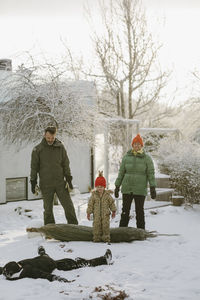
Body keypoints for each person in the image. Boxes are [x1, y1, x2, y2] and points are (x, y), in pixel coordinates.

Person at [30, 126, 78, 225]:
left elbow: (66, 164)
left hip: (60, 183)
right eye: (48, 138)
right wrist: (33, 182)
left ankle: (74, 227)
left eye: (52, 138)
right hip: (46, 184)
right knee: (48, 209)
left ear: (55, 136)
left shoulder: (60, 147)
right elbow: (34, 167)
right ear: (44, 135)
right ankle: (50, 230)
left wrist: (68, 179)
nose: (50, 140)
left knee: (68, 206)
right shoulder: (38, 149)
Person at [0, 246, 112, 282]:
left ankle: (43, 253)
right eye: (19, 266)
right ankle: (103, 260)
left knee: (43, 256)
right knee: (76, 263)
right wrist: (56, 277)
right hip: (53, 265)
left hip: (42, 259)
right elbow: (42, 274)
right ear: (18, 270)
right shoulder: (27, 270)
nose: (20, 265)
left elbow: (2, 269)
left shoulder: (9, 269)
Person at [114, 134, 156, 229]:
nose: (136, 146)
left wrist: (153, 187)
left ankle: (141, 231)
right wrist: (117, 186)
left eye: (138, 144)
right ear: (132, 145)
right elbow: (121, 173)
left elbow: (151, 173)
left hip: (140, 189)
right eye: (135, 144)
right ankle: (122, 230)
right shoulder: (126, 157)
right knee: (125, 210)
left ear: (141, 146)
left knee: (139, 211)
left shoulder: (147, 158)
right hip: (127, 187)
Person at [87, 171, 117, 243]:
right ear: (96, 187)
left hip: (105, 215)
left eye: (101, 187)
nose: (99, 188)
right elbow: (90, 204)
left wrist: (113, 211)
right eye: (98, 187)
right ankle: (96, 238)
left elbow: (112, 203)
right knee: (96, 226)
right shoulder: (94, 195)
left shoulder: (107, 195)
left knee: (105, 227)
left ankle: (106, 239)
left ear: (104, 187)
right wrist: (88, 213)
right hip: (96, 215)